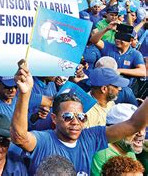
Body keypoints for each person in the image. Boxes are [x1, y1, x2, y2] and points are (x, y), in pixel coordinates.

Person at [11, 60, 148, 175]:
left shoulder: (90, 138)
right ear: (54, 118)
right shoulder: (44, 140)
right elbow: (20, 137)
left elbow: (134, 125)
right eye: (68, 116)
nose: (75, 122)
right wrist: (25, 93)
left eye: (81, 117)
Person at [91, 103, 146, 176]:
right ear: (116, 130)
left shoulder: (127, 148)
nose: (141, 133)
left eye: (143, 127)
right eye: (133, 129)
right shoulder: (103, 154)